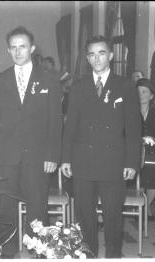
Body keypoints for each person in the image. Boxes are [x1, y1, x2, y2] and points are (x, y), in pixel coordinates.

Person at [60, 35, 142, 258]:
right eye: (92, 54)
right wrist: (66, 158)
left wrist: (131, 162)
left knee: (113, 216)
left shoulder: (125, 85)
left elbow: (134, 129)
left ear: (111, 56)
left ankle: (113, 255)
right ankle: (89, 254)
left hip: (114, 164)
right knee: (85, 216)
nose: (97, 58)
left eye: (102, 53)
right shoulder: (77, 87)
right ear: (87, 58)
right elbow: (70, 127)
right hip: (83, 161)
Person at [0, 26, 62, 258]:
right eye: (13, 47)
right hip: (6, 156)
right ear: (8, 50)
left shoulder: (49, 79)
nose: (18, 51)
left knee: (37, 208)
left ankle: (37, 252)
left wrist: (52, 155)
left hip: (38, 156)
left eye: (23, 46)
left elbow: (55, 121)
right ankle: (8, 253)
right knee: (6, 208)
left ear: (32, 48)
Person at [136, 78, 155, 221]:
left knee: (152, 166)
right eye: (138, 92)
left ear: (151, 96)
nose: (141, 95)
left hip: (152, 152)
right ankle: (140, 204)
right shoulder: (129, 112)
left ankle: (147, 204)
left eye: (144, 92)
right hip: (134, 151)